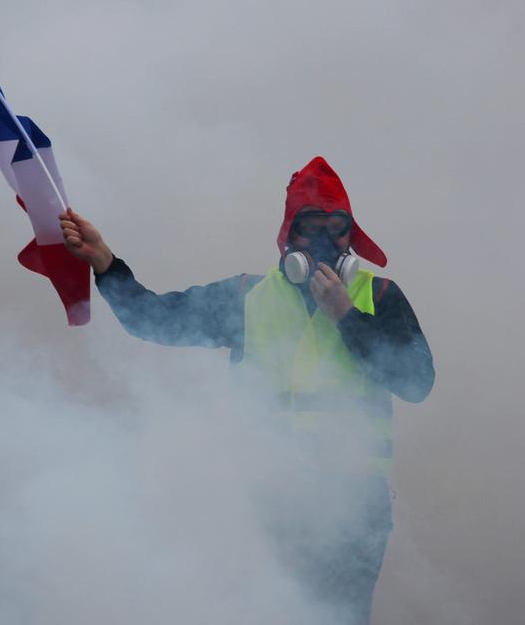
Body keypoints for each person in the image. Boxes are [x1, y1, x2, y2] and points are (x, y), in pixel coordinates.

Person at [58, 156, 434, 623]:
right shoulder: (245, 297)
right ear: (286, 240)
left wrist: (347, 317)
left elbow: (417, 382)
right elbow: (152, 319)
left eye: (336, 227)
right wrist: (105, 262)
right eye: (309, 226)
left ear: (351, 237)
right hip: (267, 508)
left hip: (353, 513)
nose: (322, 241)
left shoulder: (377, 297)